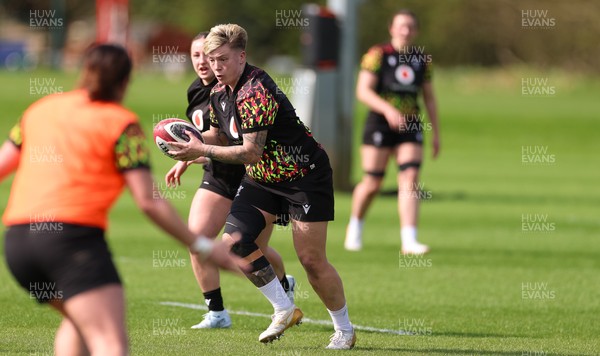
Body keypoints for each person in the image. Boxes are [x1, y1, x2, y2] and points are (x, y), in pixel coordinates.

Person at [0, 44, 239, 356]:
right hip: (72, 243)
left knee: (79, 321)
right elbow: (148, 201)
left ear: (83, 71)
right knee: (110, 344)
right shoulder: (121, 124)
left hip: (18, 245)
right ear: (126, 82)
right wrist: (203, 246)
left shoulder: (40, 109)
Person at [168, 24, 356, 350]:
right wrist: (189, 148)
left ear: (242, 57)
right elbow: (221, 135)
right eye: (211, 60)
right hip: (262, 179)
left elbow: (249, 150)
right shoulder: (217, 90)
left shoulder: (255, 92)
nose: (215, 67)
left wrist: (201, 151)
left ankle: (344, 329)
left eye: (223, 59)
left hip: (304, 177)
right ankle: (283, 307)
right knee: (234, 245)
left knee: (312, 260)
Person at [164, 32, 295, 329]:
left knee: (250, 248)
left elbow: (248, 144)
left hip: (255, 176)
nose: (203, 62)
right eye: (196, 55)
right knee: (197, 240)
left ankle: (284, 287)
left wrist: (201, 152)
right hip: (220, 177)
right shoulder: (198, 92)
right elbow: (210, 137)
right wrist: (187, 156)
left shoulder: (248, 88)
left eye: (210, 56)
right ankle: (217, 312)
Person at [344, 9, 440, 254]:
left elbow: (429, 97)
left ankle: (409, 240)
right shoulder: (378, 55)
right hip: (379, 124)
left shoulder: (422, 59)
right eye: (401, 26)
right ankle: (355, 226)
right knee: (373, 182)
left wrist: (437, 132)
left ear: (415, 31)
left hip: (411, 125)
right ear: (392, 29)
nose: (405, 31)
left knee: (409, 178)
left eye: (410, 27)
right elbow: (363, 91)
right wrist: (388, 110)